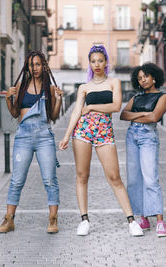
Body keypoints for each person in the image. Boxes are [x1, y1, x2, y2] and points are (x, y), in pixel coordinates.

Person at [59, 45, 143, 237]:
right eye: (93, 61)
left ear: (106, 62)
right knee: (82, 176)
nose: (97, 64)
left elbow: (115, 106)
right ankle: (84, 220)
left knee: (114, 177)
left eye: (100, 60)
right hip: (82, 132)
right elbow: (76, 112)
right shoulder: (84, 87)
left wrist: (92, 107)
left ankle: (131, 221)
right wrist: (66, 135)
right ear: (90, 63)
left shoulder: (114, 82)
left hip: (104, 133)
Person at [0, 51, 63, 234]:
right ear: (28, 66)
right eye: (32, 65)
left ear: (44, 66)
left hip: (44, 136)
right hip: (24, 136)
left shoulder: (49, 88)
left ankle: (53, 219)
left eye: (38, 64)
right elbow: (15, 113)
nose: (35, 68)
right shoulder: (21, 86)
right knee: (17, 180)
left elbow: (54, 116)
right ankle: (9, 219)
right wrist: (8, 98)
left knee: (50, 179)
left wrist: (58, 100)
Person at [120, 63, 166, 237]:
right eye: (140, 78)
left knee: (150, 179)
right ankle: (143, 218)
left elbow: (155, 117)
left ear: (154, 77)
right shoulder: (136, 97)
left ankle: (160, 221)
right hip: (131, 136)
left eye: (146, 76)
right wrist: (143, 115)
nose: (143, 80)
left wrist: (137, 116)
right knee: (134, 180)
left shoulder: (162, 97)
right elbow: (123, 115)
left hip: (148, 137)